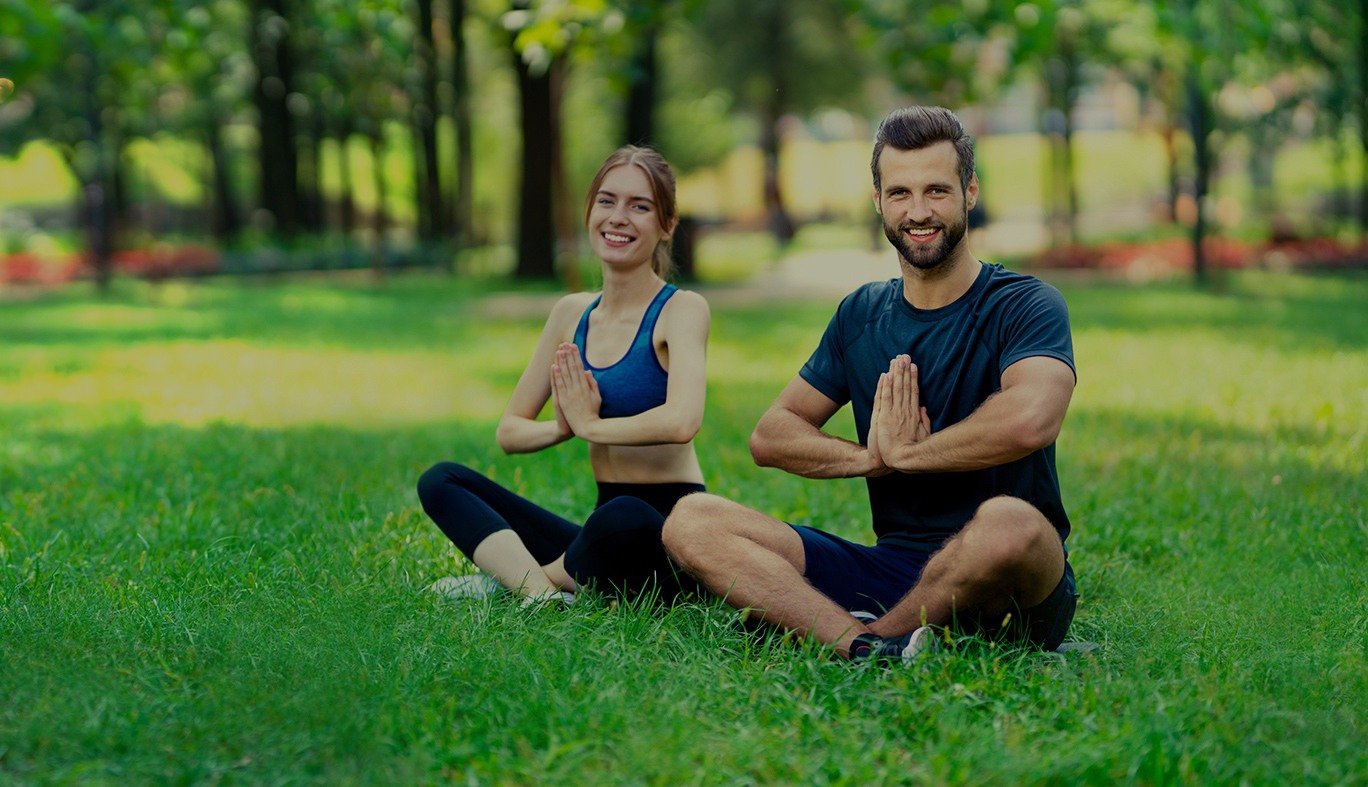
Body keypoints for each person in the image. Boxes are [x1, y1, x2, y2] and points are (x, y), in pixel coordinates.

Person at [662, 106, 1079, 661]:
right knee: (692, 519)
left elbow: (1032, 417)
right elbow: (772, 435)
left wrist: (913, 454)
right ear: (878, 200)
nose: (919, 212)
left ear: (970, 191)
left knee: (1010, 523)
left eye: (937, 190)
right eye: (901, 193)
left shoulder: (1025, 304)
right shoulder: (861, 314)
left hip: (1011, 585)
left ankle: (867, 635)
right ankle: (866, 647)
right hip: (894, 566)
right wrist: (872, 458)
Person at [418, 145, 710, 606]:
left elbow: (681, 422)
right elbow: (510, 431)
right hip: (599, 531)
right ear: (589, 211)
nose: (618, 217)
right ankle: (541, 591)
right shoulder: (570, 313)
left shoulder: (682, 309)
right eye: (607, 201)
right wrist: (564, 425)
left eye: (640, 206)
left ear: (667, 225)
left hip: (663, 531)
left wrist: (592, 426)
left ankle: (515, 582)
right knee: (441, 480)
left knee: (625, 517)